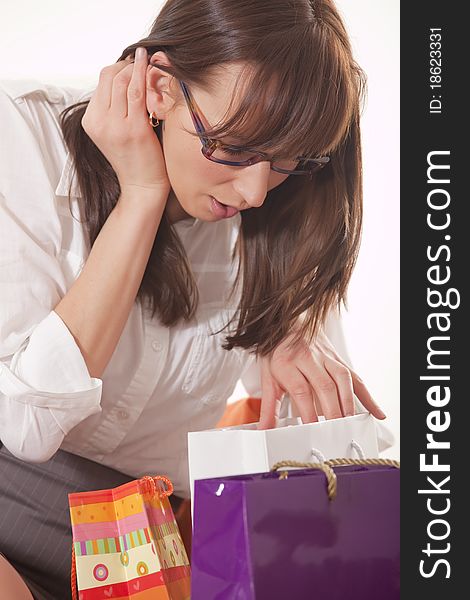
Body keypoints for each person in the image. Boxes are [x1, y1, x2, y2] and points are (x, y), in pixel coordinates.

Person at [0, 0, 388, 597]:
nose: (256, 191)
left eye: (287, 162)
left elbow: (294, 446)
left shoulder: (282, 223)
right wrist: (141, 194)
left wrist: (283, 331)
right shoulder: (22, 139)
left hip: (137, 538)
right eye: (232, 150)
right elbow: (26, 425)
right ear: (159, 88)